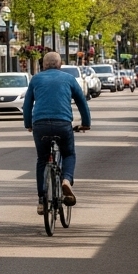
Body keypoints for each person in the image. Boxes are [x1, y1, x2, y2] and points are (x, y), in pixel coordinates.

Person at [23, 52, 91, 215]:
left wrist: (28, 124)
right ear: (60, 65)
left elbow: (27, 105)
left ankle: (41, 200)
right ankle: (66, 180)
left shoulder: (36, 79)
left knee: (42, 159)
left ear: (43, 65)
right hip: (63, 123)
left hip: (40, 124)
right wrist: (86, 123)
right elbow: (82, 102)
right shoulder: (68, 79)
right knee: (68, 154)